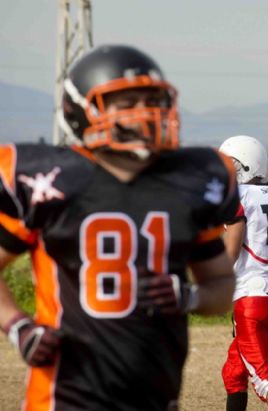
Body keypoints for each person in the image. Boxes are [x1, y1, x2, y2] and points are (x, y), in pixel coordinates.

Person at [0, 44, 239, 411]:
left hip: (156, 394)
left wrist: (188, 296)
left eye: (151, 100)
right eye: (126, 102)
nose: (145, 112)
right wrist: (19, 326)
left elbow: (220, 286)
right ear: (82, 110)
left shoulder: (190, 179)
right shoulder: (48, 178)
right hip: (66, 397)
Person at [219, 135, 268, 411]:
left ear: (245, 166)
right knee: (234, 371)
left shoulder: (238, 197)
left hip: (252, 300)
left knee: (266, 381)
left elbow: (233, 243)